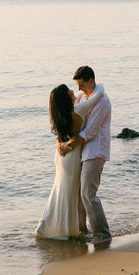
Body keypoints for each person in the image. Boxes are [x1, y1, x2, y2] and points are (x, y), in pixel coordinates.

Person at [35, 80, 105, 240]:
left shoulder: (62, 116)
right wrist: (97, 84)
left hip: (61, 157)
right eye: (70, 92)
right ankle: (73, 231)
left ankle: (49, 225)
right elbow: (98, 94)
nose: (74, 92)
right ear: (66, 99)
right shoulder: (78, 111)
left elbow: (81, 94)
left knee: (59, 192)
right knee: (73, 197)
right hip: (72, 157)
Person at [58, 64, 112, 245]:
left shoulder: (102, 102)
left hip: (95, 151)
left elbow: (89, 132)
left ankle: (103, 234)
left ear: (91, 81)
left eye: (81, 84)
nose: (78, 89)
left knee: (88, 194)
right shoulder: (84, 97)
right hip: (84, 152)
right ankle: (84, 231)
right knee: (81, 195)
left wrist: (68, 146)